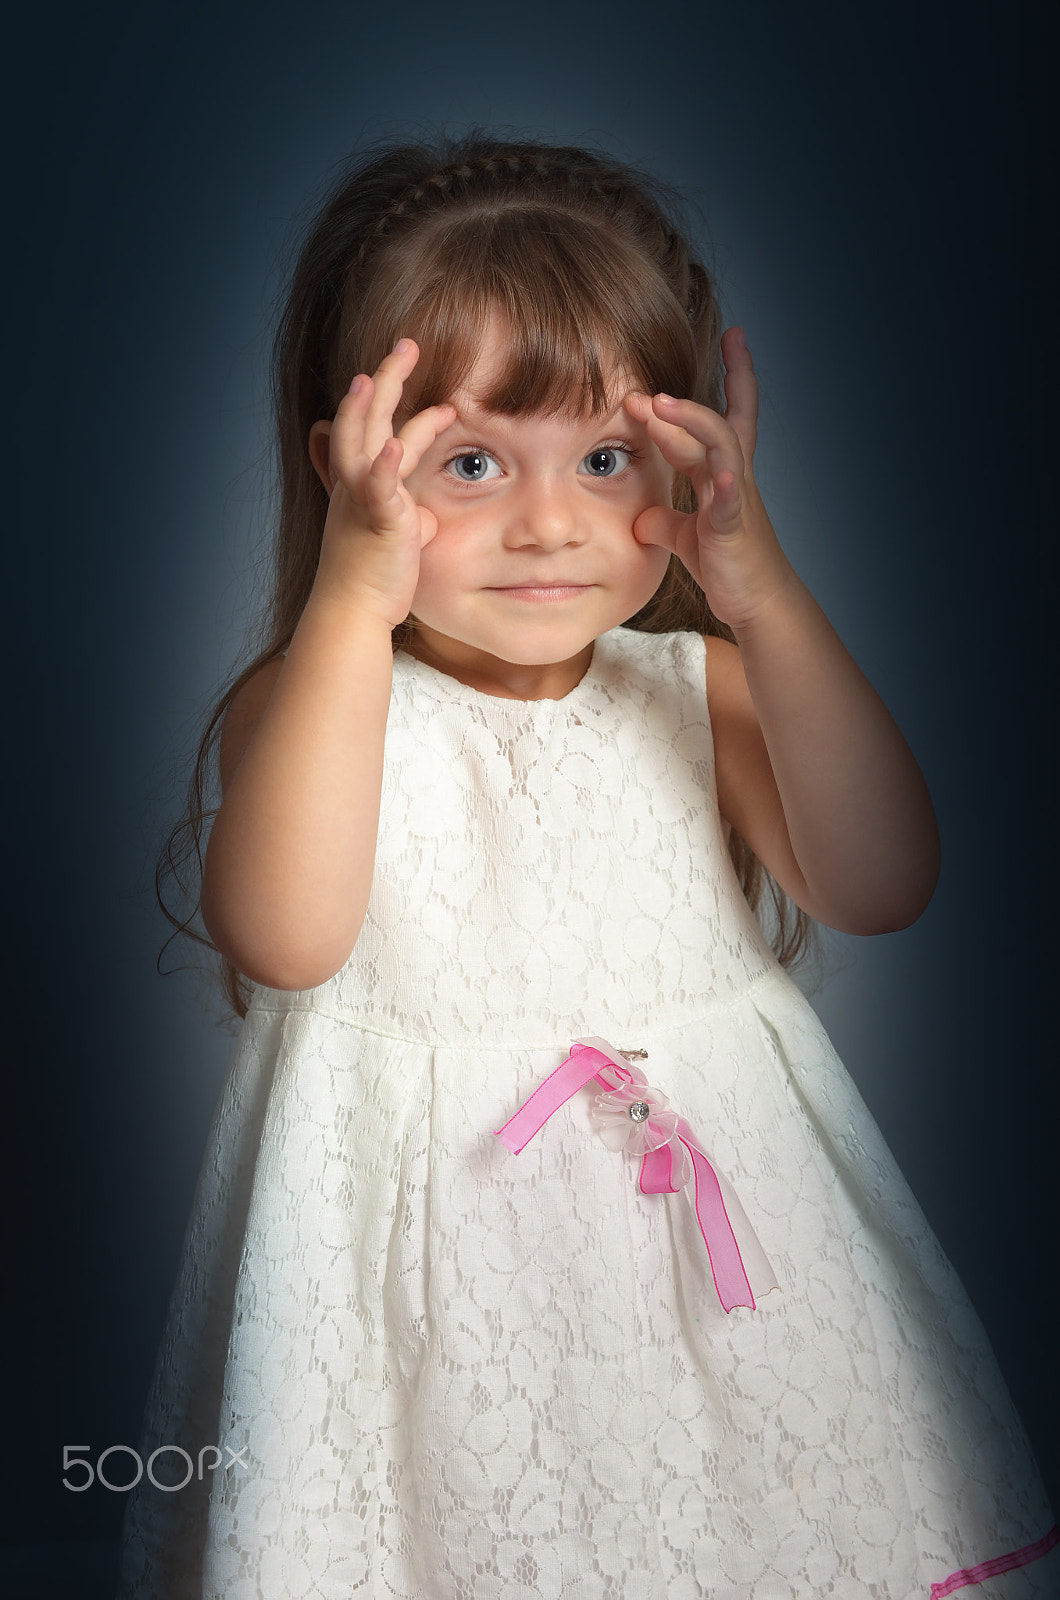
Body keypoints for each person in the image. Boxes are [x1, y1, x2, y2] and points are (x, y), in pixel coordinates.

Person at [120, 134, 1057, 1599]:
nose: (551, 521)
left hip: (708, 1296)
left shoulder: (705, 687)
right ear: (350, 469)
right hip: (428, 1293)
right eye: (474, 464)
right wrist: (356, 599)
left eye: (606, 459)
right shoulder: (322, 701)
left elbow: (883, 883)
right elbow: (287, 939)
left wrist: (758, 586)